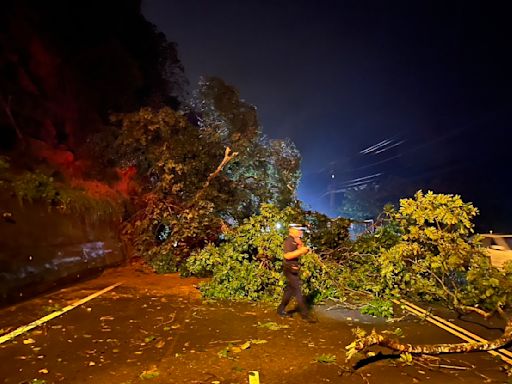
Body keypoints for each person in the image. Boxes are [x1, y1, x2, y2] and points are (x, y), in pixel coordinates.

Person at [277, 224, 315, 322]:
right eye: (298, 230)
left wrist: (300, 245)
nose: (300, 232)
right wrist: (301, 251)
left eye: (301, 230)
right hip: (289, 269)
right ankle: (305, 315)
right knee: (298, 291)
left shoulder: (295, 240)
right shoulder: (289, 241)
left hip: (294, 269)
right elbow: (287, 256)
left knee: (289, 291)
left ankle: (280, 310)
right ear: (292, 230)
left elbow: (299, 251)